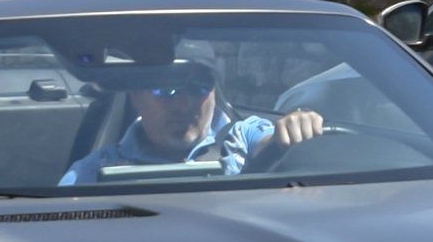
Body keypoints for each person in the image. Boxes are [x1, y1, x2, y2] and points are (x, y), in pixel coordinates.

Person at [60, 59, 324, 186]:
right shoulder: (93, 173)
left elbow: (274, 139)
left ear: (214, 91)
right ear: (136, 97)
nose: (184, 104)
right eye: (167, 90)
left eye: (198, 87)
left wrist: (296, 125)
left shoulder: (241, 137)